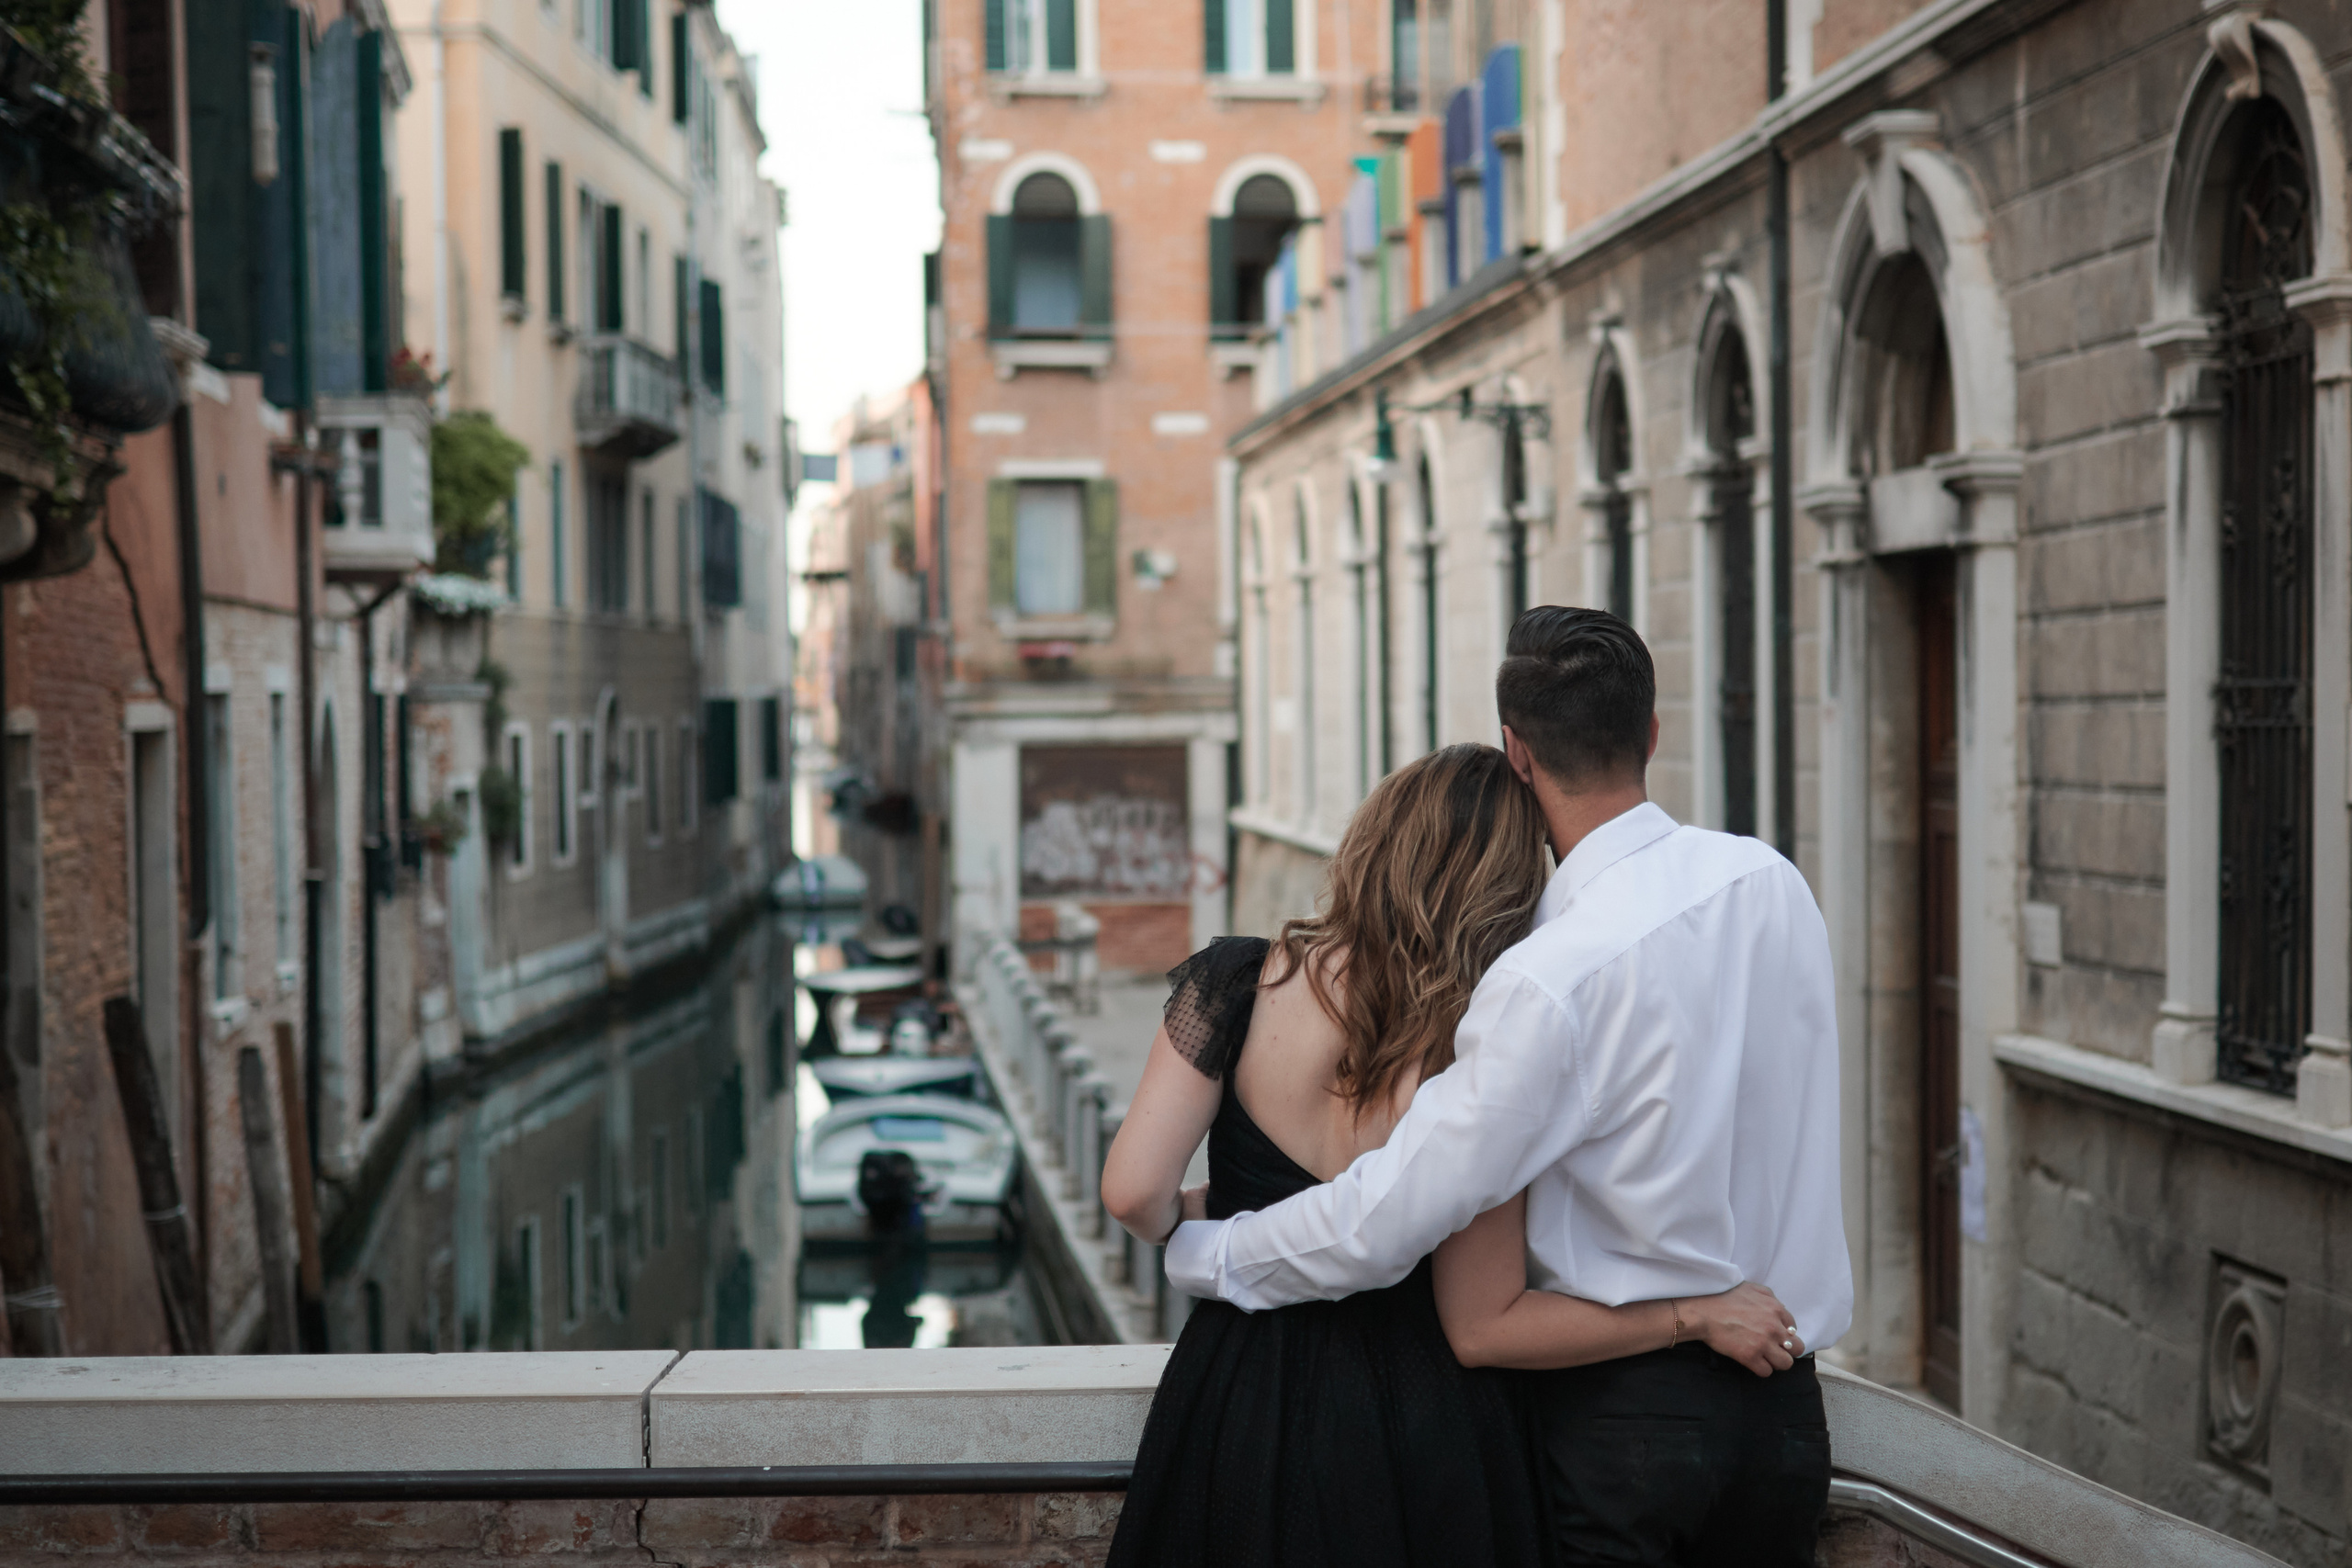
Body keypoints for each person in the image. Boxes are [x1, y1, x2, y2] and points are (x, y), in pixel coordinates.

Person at [1165, 606, 1851, 1568]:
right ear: (1652, 734)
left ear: (1515, 754)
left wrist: (1206, 1251)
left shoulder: (1544, 980)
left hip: (1627, 1431)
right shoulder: (1770, 883)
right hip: (1785, 1421)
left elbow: (1383, 1219)